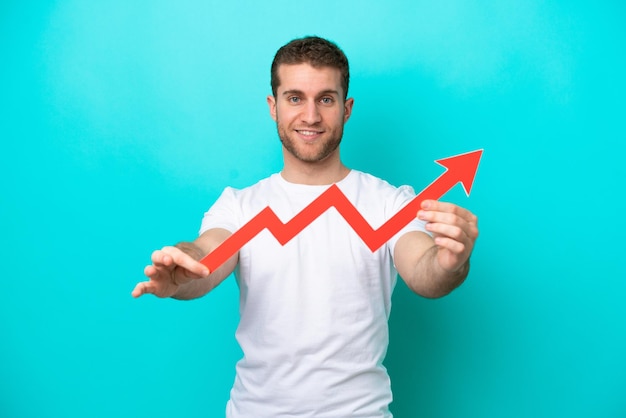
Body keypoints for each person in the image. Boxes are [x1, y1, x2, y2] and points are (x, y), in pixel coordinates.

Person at [132, 36, 478, 417]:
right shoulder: (240, 206)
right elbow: (206, 255)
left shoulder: (389, 203)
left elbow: (424, 270)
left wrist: (450, 262)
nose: (310, 116)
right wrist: (182, 268)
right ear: (273, 107)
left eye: (325, 99)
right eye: (295, 98)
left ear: (346, 109)